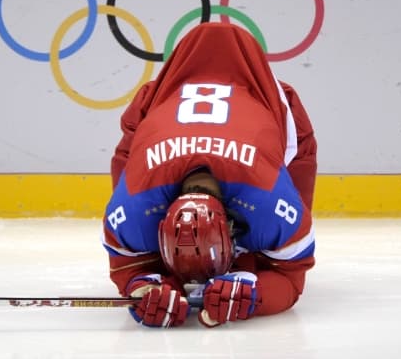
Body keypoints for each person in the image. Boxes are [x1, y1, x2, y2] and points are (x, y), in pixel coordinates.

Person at [102, 22, 317, 328]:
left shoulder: (133, 206)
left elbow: (293, 270)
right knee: (280, 232)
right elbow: (291, 278)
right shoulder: (270, 198)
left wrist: (140, 284)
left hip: (237, 178)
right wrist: (149, 285)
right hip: (248, 179)